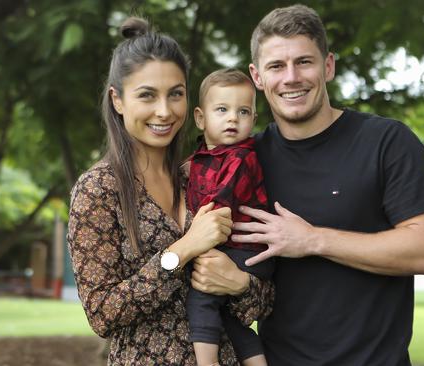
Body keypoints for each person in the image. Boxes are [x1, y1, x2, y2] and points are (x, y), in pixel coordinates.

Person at [228, 4, 424, 365]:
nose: (291, 77)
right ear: (257, 76)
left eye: (304, 62)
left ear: (327, 65)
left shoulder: (386, 142)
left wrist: (312, 239)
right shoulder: (245, 161)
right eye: (276, 66)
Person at [66, 18, 273, 366]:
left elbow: (264, 299)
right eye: (147, 95)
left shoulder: (199, 176)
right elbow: (101, 313)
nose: (164, 111)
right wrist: (183, 250)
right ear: (118, 100)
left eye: (175, 94)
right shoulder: (98, 190)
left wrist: (239, 284)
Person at [186, 68, 273, 366]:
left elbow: (216, 207)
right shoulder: (203, 157)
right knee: (232, 318)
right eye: (222, 109)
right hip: (236, 249)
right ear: (200, 118)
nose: (233, 118)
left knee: (202, 297)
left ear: (254, 120)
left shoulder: (241, 157)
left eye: (243, 111)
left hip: (245, 249)